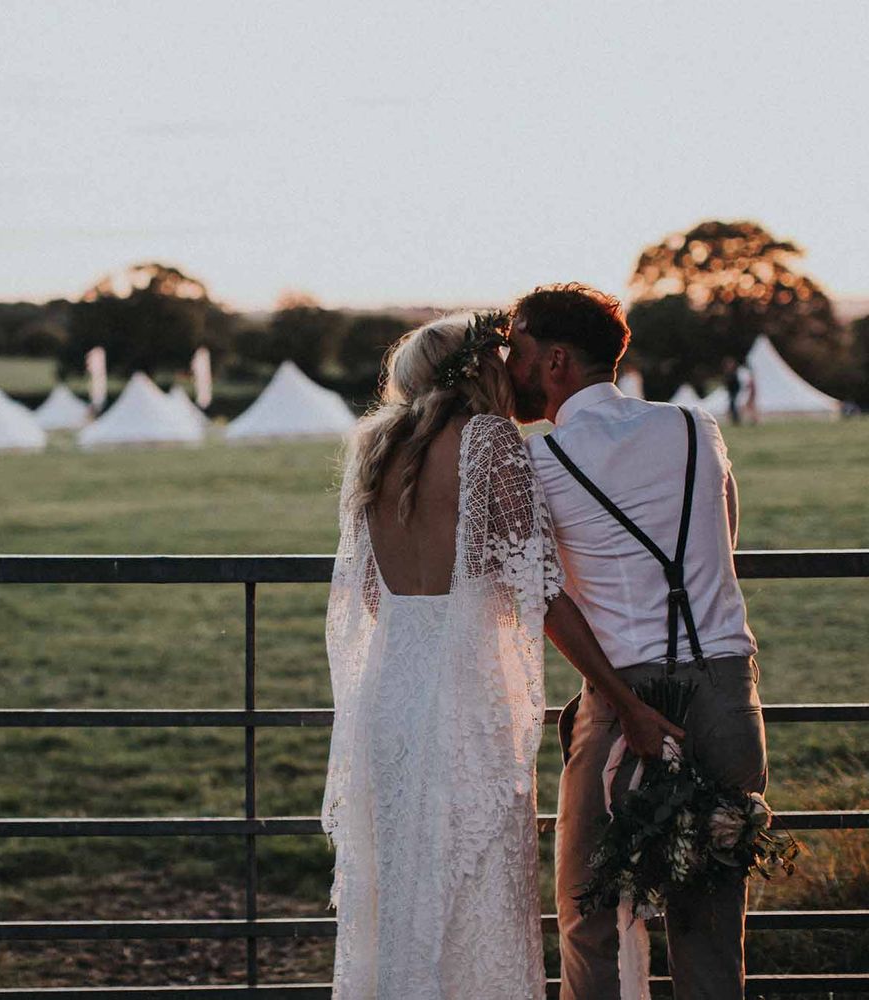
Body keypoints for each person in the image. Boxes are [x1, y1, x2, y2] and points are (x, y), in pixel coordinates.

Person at [321, 314, 679, 1000]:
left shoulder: (375, 444)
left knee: (406, 892)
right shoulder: (490, 442)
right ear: (483, 369)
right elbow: (541, 588)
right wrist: (621, 696)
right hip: (464, 699)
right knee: (475, 888)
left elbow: (370, 593)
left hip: (392, 692)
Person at [508, 283, 765, 1000]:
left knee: (588, 907)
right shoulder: (695, 426)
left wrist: (626, 704)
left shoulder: (544, 459)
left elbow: (548, 600)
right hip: (726, 685)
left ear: (556, 360)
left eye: (517, 351)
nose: (510, 367)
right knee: (710, 914)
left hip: (627, 695)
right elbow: (724, 536)